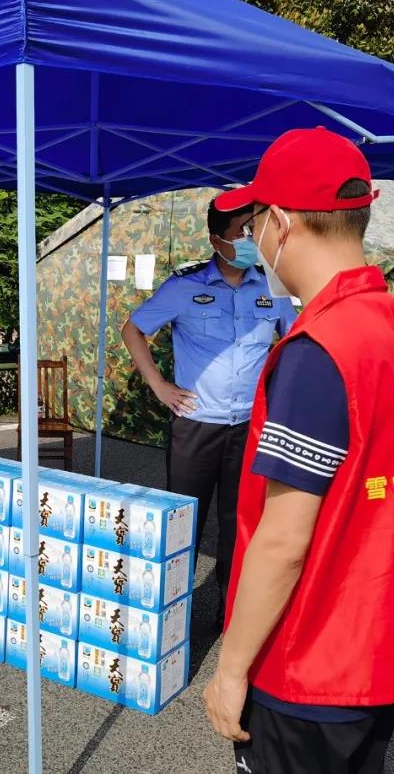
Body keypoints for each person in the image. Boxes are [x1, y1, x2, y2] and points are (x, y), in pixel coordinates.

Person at [201, 127, 394, 774]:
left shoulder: (320, 350)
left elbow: (284, 540)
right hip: (388, 643)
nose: (253, 239)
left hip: (313, 661)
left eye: (254, 222)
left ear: (280, 223)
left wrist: (231, 668)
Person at [121, 197, 296, 627]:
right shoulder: (184, 287)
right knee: (184, 522)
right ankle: (170, 617)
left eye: (254, 231)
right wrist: (159, 386)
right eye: (241, 233)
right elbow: (133, 329)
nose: (250, 240)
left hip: (248, 428)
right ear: (216, 240)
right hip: (196, 426)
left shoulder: (272, 288)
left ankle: (231, 613)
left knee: (240, 524)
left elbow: (296, 341)